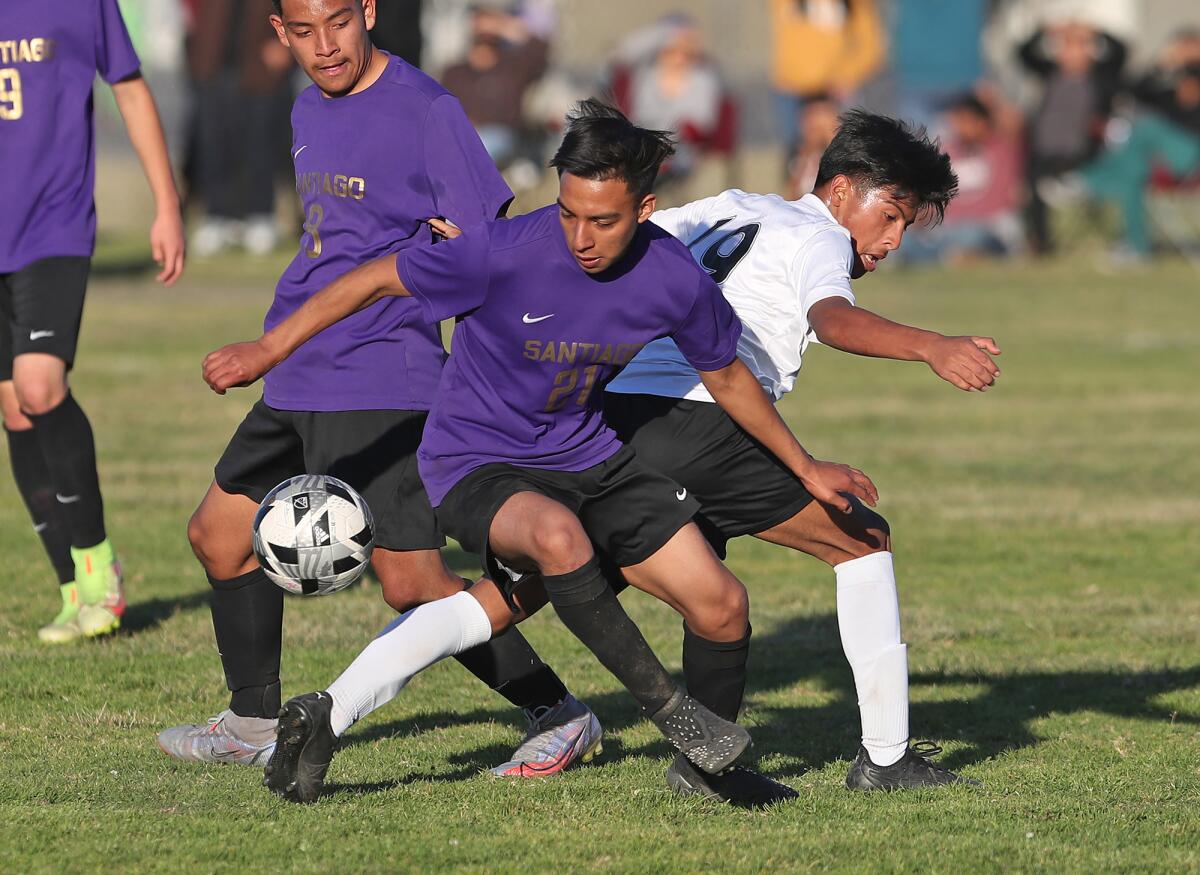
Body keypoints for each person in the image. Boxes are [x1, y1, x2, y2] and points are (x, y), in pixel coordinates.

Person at [201, 99, 879, 804]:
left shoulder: (673, 276)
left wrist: (804, 467)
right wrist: (267, 347)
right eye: (568, 213)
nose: (580, 236)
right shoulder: (505, 253)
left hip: (586, 450)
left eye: (603, 220)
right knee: (556, 537)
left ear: (646, 209)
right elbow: (375, 277)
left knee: (721, 604)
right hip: (475, 457)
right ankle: (672, 712)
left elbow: (730, 376)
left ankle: (705, 776)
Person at [157, 0, 599, 781]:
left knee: (413, 583)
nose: (324, 45)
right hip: (298, 372)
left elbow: (480, 240)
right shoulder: (305, 105)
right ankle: (253, 717)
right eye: (303, 30)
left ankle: (557, 712)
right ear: (278, 30)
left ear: (367, 10)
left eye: (338, 21)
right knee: (218, 537)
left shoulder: (428, 109)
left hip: (383, 378)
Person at [604, 110, 995, 794]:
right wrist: (932, 345)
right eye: (892, 214)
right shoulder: (818, 236)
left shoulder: (731, 206)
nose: (894, 239)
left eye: (907, 226)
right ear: (841, 190)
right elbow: (833, 320)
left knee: (553, 581)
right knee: (863, 539)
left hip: (616, 413)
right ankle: (886, 759)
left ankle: (371, 691)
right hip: (704, 421)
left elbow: (622, 246)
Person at [0, 0, 186, 644]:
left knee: (39, 385)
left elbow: (130, 91)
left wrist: (167, 203)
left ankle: (99, 568)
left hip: (52, 227)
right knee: (15, 409)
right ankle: (72, 591)